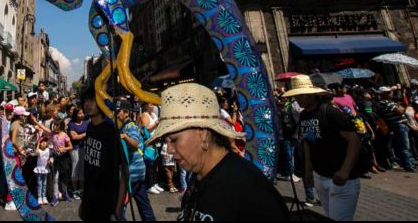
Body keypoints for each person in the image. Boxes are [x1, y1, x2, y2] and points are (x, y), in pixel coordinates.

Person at [147, 82, 287, 221]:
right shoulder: (198, 178)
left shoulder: (249, 189)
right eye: (166, 141)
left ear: (203, 134)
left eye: (174, 140)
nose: (169, 149)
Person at [285, 75, 360, 221]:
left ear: (312, 94)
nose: (298, 99)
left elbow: (354, 141)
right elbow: (307, 142)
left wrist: (345, 170)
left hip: (340, 178)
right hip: (320, 175)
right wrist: (308, 171)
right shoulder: (303, 115)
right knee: (329, 216)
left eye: (301, 95)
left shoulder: (330, 112)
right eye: (296, 95)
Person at [79, 85, 126, 221]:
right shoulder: (89, 127)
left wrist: (118, 208)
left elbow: (124, 171)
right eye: (85, 100)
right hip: (89, 202)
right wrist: (84, 201)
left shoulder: (110, 132)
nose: (87, 104)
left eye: (92, 100)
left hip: (106, 205)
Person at [116, 98, 154, 221]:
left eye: (119, 111)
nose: (117, 114)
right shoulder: (123, 126)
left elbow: (135, 144)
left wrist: (125, 137)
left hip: (131, 173)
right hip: (138, 172)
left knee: (120, 208)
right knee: (144, 205)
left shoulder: (130, 127)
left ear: (126, 113)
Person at [34, 137, 51, 205]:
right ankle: (39, 197)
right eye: (42, 142)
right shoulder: (39, 150)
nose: (43, 142)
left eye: (45, 141)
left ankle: (44, 196)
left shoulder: (48, 150)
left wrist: (50, 161)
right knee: (39, 183)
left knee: (44, 183)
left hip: (45, 169)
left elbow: (51, 157)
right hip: (39, 169)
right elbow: (36, 152)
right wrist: (38, 143)